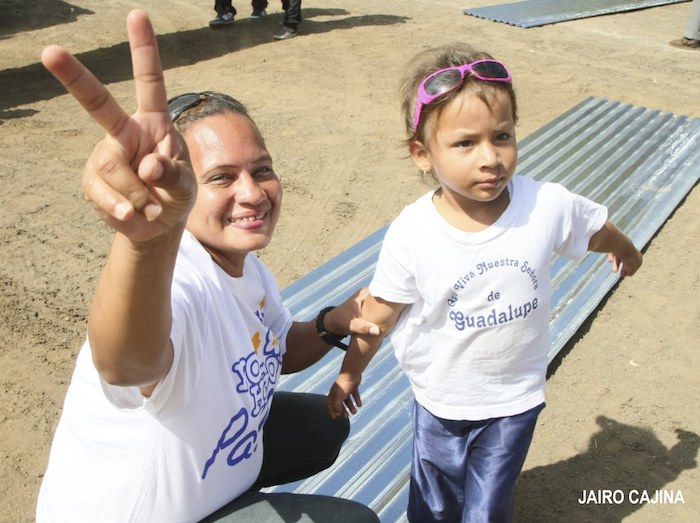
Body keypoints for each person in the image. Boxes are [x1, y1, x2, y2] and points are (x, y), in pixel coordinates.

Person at [37, 9, 380, 523]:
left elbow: (276, 349)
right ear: (179, 186)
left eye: (262, 169)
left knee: (324, 427)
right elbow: (127, 365)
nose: (253, 193)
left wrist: (333, 321)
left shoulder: (246, 269)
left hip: (207, 468)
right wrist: (144, 243)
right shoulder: (178, 279)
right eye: (221, 177)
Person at [327, 42, 643, 522]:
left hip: (514, 397)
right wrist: (351, 370)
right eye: (465, 143)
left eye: (503, 136)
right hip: (441, 399)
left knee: (488, 507)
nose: (491, 157)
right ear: (422, 154)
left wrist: (626, 250)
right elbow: (379, 316)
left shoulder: (544, 205)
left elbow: (594, 228)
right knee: (434, 503)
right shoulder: (413, 233)